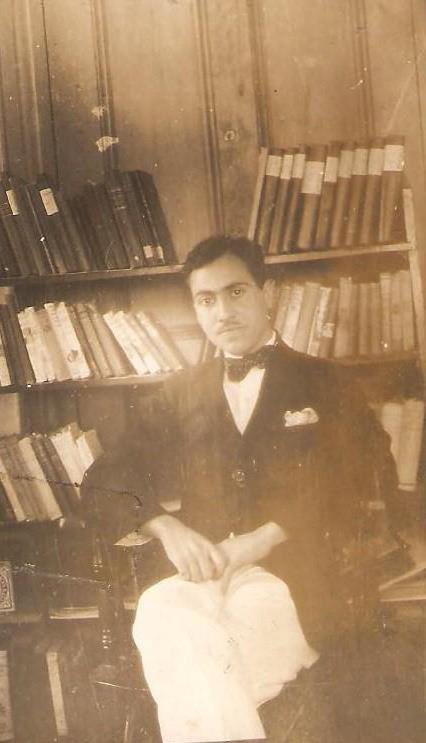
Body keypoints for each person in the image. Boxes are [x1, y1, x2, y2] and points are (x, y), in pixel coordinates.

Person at [82, 235, 402, 742]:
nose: (222, 312)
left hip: (297, 576)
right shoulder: (179, 393)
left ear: (264, 292)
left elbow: (365, 470)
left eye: (235, 292)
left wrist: (263, 538)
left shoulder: (326, 382)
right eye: (205, 299)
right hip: (206, 576)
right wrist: (165, 527)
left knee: (199, 649)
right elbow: (103, 478)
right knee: (160, 611)